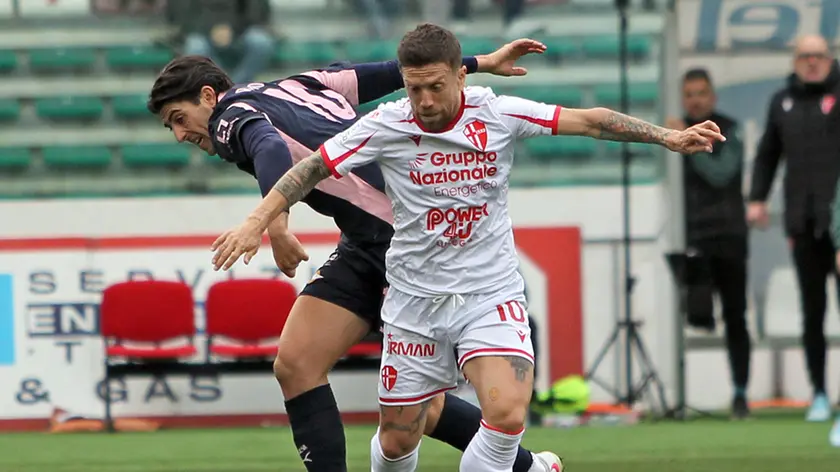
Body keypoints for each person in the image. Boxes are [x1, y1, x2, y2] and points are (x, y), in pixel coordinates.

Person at [209, 23, 723, 472]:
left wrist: (667, 138)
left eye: (435, 87)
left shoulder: (496, 114)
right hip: (413, 302)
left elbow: (589, 120)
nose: (426, 101)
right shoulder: (388, 125)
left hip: (488, 293)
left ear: (460, 76)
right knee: (396, 440)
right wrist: (261, 221)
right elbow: (311, 167)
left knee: (505, 415)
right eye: (414, 89)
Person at [147, 41, 563, 472]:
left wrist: (274, 225)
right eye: (170, 127)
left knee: (423, 408)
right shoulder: (299, 84)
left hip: (404, 247)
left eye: (180, 119)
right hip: (365, 244)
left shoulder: (229, 116)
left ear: (209, 96)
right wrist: (480, 63)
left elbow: (268, 147)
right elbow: (381, 73)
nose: (181, 134)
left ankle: (527, 466)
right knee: (296, 364)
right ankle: (530, 467)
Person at [747, 35, 840, 423]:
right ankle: (819, 393)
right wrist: (757, 198)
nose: (812, 62)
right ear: (795, 60)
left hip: (838, 221)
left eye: (818, 56)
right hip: (802, 222)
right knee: (812, 311)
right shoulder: (783, 101)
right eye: (805, 56)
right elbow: (768, 154)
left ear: (830, 58)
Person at [666, 68, 751, 419]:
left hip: (729, 235)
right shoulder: (673, 132)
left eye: (701, 93)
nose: (695, 100)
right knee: (694, 315)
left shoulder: (729, 129)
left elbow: (722, 174)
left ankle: (740, 394)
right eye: (689, 94)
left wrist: (686, 141)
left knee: (735, 316)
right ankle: (682, 395)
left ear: (712, 96)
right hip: (693, 237)